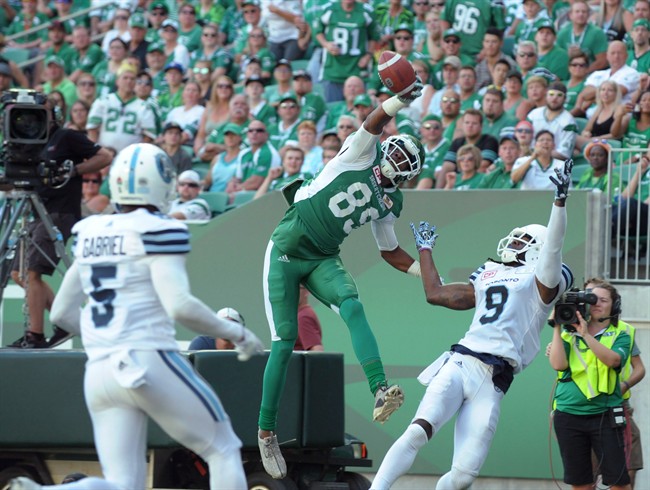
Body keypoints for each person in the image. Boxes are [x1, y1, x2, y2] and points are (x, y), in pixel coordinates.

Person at [6, 143, 265, 490]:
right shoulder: (160, 229)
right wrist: (237, 334)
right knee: (223, 447)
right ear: (160, 184)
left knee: (121, 483)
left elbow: (65, 312)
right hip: (148, 359)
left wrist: (107, 340)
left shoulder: (92, 231)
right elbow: (179, 306)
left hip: (99, 371)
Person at [370, 159, 575, 490]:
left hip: (494, 378)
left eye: (522, 239)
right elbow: (435, 294)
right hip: (461, 362)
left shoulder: (541, 282)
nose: (513, 242)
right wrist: (424, 250)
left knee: (464, 476)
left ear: (536, 247)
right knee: (417, 431)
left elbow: (553, 249)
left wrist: (559, 203)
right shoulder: (491, 271)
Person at [257, 78, 425, 480]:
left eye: (400, 170)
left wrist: (424, 272)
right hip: (286, 248)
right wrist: (398, 101)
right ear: (384, 152)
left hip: (322, 257)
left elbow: (389, 250)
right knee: (283, 341)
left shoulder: (390, 200)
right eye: (394, 162)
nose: (391, 173)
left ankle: (380, 389)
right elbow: (373, 121)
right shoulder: (359, 153)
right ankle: (266, 431)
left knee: (352, 304)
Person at [8, 103, 113, 349]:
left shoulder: (65, 136)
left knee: (32, 273)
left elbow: (105, 156)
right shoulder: (24, 142)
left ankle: (34, 335)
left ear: (53, 116)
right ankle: (65, 321)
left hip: (58, 212)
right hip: (35, 211)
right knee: (18, 274)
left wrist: (73, 170)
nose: (30, 122)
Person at [548, 279, 632, 490]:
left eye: (603, 300)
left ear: (615, 305)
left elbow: (613, 361)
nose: (596, 303)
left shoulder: (621, 334)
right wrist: (557, 327)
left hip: (605, 414)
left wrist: (585, 334)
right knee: (581, 483)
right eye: (592, 299)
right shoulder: (567, 334)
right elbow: (558, 364)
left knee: (619, 482)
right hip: (569, 415)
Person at [527, 82, 578, 160]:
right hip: (530, 158)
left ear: (565, 99)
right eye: (551, 94)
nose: (554, 98)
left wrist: (539, 153)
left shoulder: (569, 123)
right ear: (545, 96)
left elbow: (564, 153)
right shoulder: (533, 115)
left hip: (555, 163)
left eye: (559, 95)